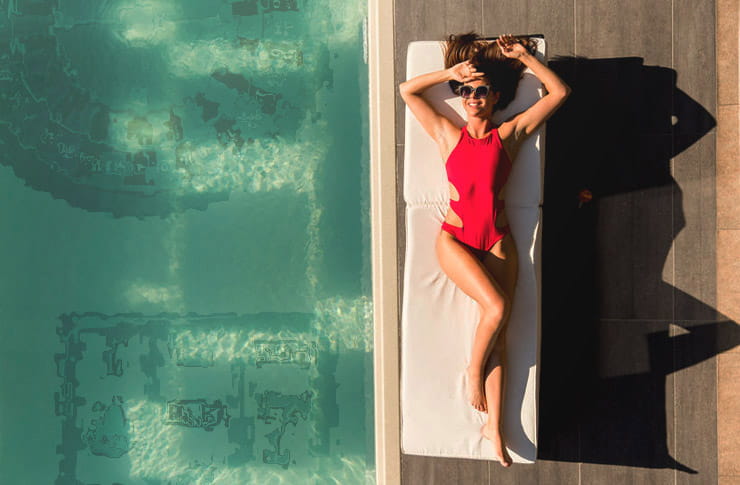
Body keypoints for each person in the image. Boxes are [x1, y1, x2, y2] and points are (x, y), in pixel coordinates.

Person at [399, 33, 570, 467]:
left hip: (497, 239)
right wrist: (450, 74)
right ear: (460, 96)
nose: (472, 96)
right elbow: (407, 91)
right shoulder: (446, 134)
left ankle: (493, 427)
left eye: (481, 90)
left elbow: (560, 92)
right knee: (495, 307)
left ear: (494, 98)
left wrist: (526, 57)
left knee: (501, 332)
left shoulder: (509, 135)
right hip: (455, 240)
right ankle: (472, 373)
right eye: (466, 91)